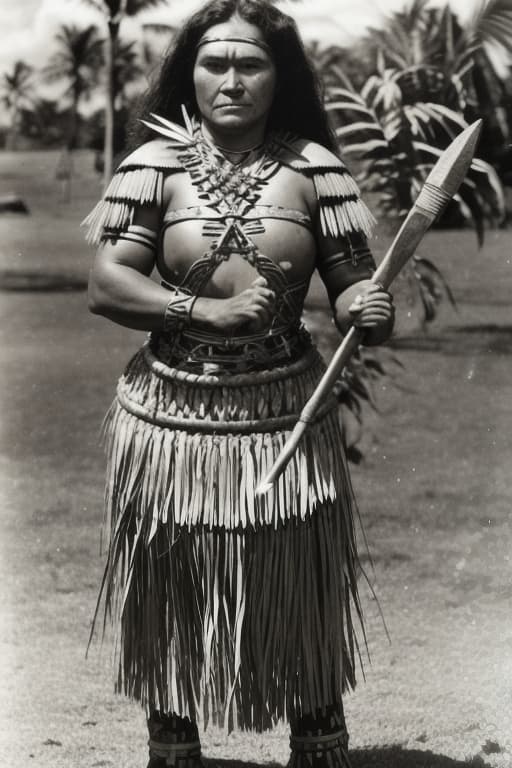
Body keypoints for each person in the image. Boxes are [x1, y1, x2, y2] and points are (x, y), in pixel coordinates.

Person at [85, 1, 394, 766]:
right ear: (190, 70)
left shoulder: (316, 170)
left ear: (277, 75)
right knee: (170, 573)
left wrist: (366, 304)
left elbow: (356, 287)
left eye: (249, 63)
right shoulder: (151, 167)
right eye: (214, 62)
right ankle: (174, 740)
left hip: (284, 409)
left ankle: (318, 738)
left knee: (297, 574)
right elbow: (107, 282)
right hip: (171, 417)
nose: (230, 79)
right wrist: (204, 310)